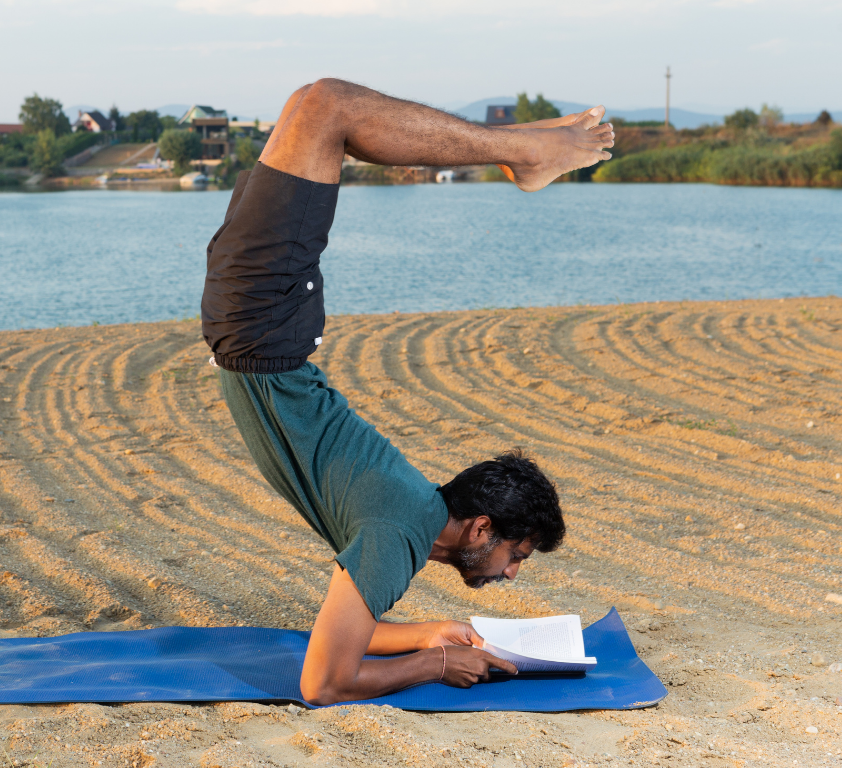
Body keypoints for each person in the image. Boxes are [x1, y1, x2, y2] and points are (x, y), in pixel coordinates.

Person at [201, 79, 614, 705]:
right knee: (324, 106)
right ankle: (523, 152)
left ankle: (521, 149)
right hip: (263, 327)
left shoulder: (411, 519)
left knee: (314, 105)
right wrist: (435, 664)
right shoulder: (400, 534)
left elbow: (338, 650)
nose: (513, 573)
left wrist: (430, 634)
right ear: (480, 529)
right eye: (517, 554)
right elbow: (325, 684)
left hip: (260, 328)